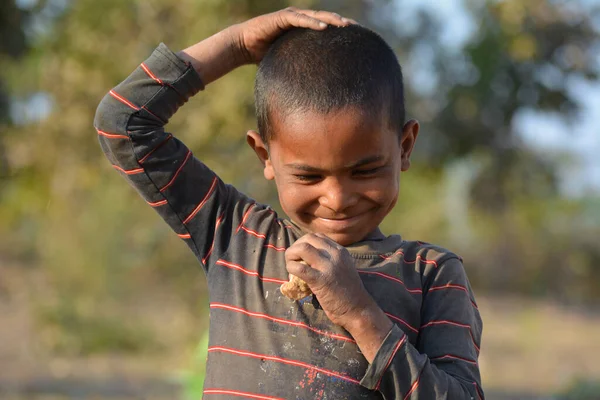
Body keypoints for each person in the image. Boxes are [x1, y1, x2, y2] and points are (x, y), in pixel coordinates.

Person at [94, 7, 484, 400]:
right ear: (264, 156)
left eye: (365, 171)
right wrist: (236, 45)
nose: (337, 199)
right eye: (309, 176)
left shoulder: (431, 275)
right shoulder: (235, 234)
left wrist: (359, 313)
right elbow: (123, 121)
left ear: (404, 147)